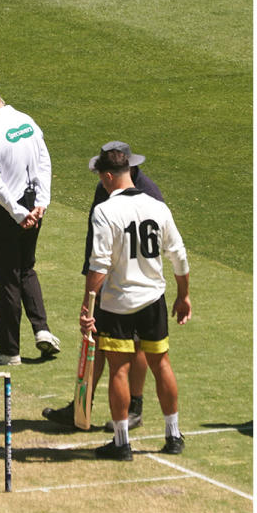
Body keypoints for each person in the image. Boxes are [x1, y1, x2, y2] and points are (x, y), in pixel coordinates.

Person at [42, 141, 163, 431]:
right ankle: (81, 404)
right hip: (107, 282)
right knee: (94, 341)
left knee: (135, 347)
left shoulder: (149, 194)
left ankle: (135, 407)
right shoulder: (105, 189)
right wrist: (91, 279)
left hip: (133, 287)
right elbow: (95, 239)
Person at [82, 145, 191, 460]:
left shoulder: (105, 211)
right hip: (153, 299)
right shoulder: (157, 206)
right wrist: (183, 295)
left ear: (107, 176)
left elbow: (99, 265)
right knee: (162, 364)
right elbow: (179, 255)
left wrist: (88, 305)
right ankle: (173, 436)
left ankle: (121, 443)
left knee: (119, 370)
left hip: (117, 303)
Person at [0, 76, 60, 366]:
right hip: (35, 206)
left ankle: (8, 350)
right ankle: (41, 329)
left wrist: (18, 212)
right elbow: (44, 163)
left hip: (6, 213)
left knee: (7, 278)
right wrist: (41, 202)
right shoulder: (27, 122)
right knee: (27, 268)